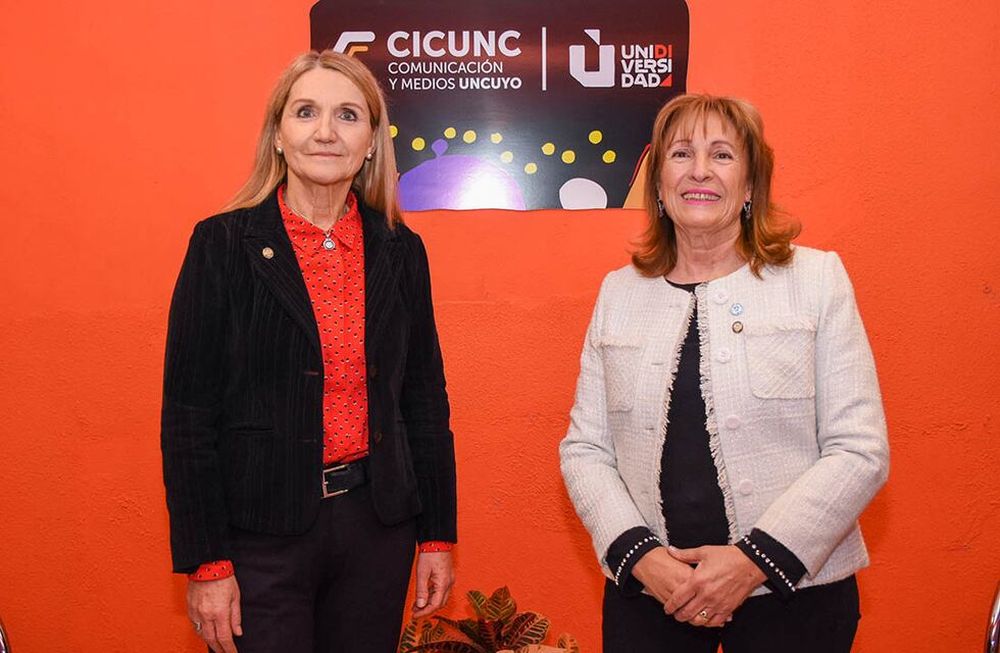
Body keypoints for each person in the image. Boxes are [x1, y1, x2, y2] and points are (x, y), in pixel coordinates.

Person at [559, 94, 888, 653]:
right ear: (659, 185)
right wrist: (643, 560)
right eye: (681, 154)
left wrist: (752, 562)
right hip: (651, 598)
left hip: (794, 598)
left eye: (723, 155)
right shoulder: (619, 293)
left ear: (752, 183)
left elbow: (859, 450)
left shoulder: (817, 280)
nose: (700, 171)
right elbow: (585, 449)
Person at [161, 50, 457, 653]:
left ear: (372, 142)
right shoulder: (221, 244)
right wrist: (208, 561)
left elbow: (423, 400)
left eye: (348, 115)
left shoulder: (401, 251)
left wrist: (436, 536)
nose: (326, 131)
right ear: (278, 135)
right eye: (306, 112)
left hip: (378, 528)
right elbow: (188, 417)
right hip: (260, 534)